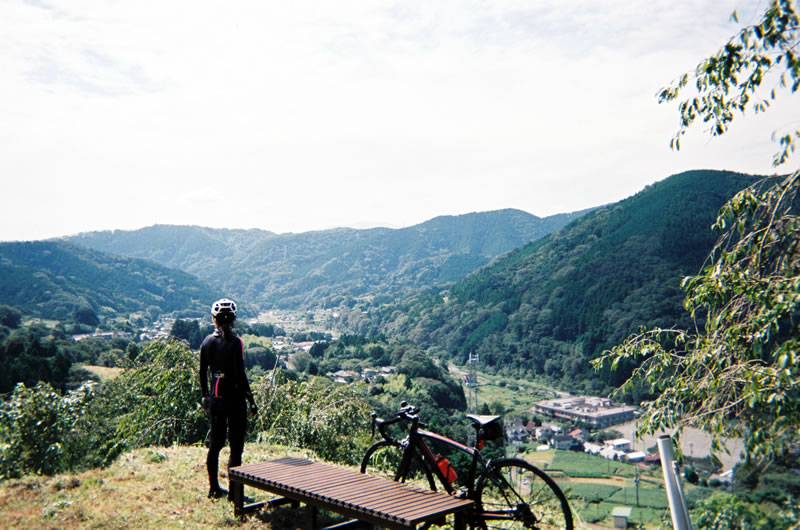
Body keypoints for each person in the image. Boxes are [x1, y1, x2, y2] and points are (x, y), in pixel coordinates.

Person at [199, 298, 258, 500]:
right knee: (236, 448)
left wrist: (205, 396)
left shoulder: (207, 342)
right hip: (235, 401)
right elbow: (240, 375)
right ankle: (235, 494)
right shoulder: (236, 342)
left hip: (216, 400)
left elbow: (202, 373)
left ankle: (213, 489)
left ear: (214, 319)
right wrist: (251, 400)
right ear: (234, 319)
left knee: (215, 446)